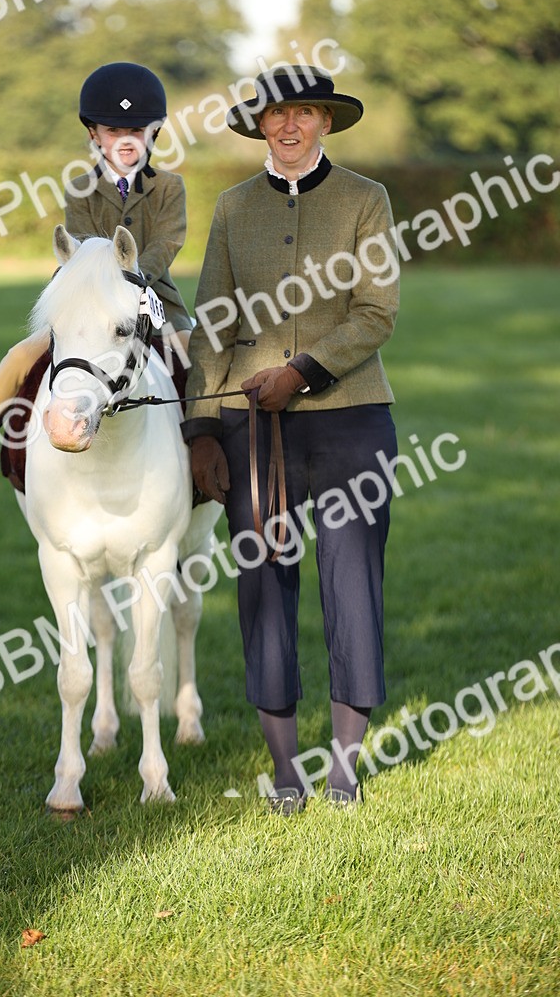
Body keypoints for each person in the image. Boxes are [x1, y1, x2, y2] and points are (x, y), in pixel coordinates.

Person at [183, 65, 399, 813]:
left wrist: (303, 371)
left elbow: (375, 312)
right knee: (263, 586)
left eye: (304, 112)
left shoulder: (367, 200)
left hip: (350, 419)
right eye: (277, 115)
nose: (289, 126)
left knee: (352, 583)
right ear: (261, 126)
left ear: (327, 122)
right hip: (249, 425)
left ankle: (345, 765)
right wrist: (202, 428)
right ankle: (284, 768)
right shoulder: (233, 207)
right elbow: (211, 321)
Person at [0, 61, 192, 491]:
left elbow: (168, 242)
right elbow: (76, 246)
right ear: (94, 135)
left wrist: (134, 278)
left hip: (152, 297)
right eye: (112, 131)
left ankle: (219, 448)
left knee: (202, 353)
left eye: (136, 131)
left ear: (154, 134)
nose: (124, 140)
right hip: (89, 303)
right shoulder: (80, 189)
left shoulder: (170, 187)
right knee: (21, 355)